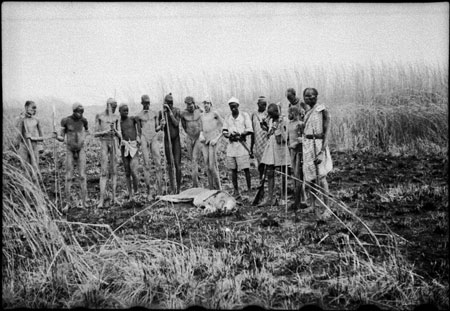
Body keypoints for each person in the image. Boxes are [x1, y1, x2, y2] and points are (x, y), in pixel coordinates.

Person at [302, 87, 333, 216]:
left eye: (312, 96)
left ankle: (327, 208)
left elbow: (326, 133)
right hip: (308, 145)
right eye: (307, 96)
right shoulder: (306, 112)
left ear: (317, 96)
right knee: (310, 178)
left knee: (321, 177)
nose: (309, 98)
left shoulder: (322, 110)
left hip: (318, 145)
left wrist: (322, 152)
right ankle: (313, 205)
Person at [54, 102, 89, 211]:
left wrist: (85, 141)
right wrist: (56, 136)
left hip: (81, 150)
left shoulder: (84, 121)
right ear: (74, 111)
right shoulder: (66, 121)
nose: (80, 114)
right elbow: (61, 137)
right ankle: (67, 203)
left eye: (82, 112)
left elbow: (87, 132)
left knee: (82, 176)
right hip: (69, 150)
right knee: (69, 177)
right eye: (78, 112)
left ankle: (84, 202)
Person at [258, 103, 291, 207]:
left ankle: (283, 197)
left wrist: (278, 130)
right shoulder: (271, 120)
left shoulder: (284, 120)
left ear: (277, 112)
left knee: (283, 173)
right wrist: (266, 127)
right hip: (271, 147)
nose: (270, 116)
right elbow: (269, 132)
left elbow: (286, 137)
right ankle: (270, 197)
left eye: (272, 114)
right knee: (269, 171)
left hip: (281, 147)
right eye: (269, 114)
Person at [222, 97, 253, 199]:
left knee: (246, 169)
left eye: (234, 107)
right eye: (231, 107)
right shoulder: (227, 117)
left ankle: (249, 190)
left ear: (238, 106)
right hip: (232, 146)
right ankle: (236, 191)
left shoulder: (244, 116)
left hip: (242, 145)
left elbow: (249, 129)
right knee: (233, 170)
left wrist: (240, 133)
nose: (233, 109)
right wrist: (229, 135)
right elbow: (224, 131)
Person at [94, 98, 122, 208]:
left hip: (113, 141)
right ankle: (101, 200)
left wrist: (114, 131)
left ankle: (114, 198)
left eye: (116, 107)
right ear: (108, 105)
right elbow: (95, 133)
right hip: (104, 142)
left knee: (114, 170)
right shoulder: (99, 116)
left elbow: (120, 134)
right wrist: (105, 132)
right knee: (104, 171)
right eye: (113, 107)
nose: (114, 109)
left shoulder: (116, 117)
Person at [136, 94, 164, 200]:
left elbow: (157, 128)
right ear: (142, 103)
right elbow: (139, 131)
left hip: (153, 137)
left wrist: (161, 126)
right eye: (145, 102)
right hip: (144, 137)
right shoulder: (139, 116)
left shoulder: (154, 114)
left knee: (158, 163)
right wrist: (139, 138)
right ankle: (149, 192)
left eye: (148, 102)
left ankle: (160, 190)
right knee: (146, 164)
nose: (147, 104)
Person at [159, 93, 182, 194]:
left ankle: (178, 188)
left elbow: (176, 124)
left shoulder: (176, 111)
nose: (170, 105)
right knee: (170, 164)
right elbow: (160, 128)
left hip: (176, 140)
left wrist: (170, 112)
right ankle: (172, 187)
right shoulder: (162, 113)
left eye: (172, 103)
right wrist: (162, 124)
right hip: (167, 140)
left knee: (177, 164)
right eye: (168, 103)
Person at [199, 97, 223, 190]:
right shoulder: (202, 115)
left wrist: (217, 138)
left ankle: (219, 189)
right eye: (204, 103)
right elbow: (201, 128)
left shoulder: (215, 114)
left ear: (211, 104)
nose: (206, 105)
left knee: (212, 166)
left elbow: (224, 126)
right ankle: (211, 189)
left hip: (213, 141)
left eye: (208, 103)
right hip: (205, 141)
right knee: (207, 166)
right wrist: (201, 135)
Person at [119, 103, 141, 200]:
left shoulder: (132, 119)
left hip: (133, 146)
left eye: (127, 110)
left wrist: (139, 136)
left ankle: (136, 191)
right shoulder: (119, 122)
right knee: (127, 172)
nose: (126, 112)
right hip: (124, 147)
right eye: (124, 110)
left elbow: (138, 123)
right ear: (119, 112)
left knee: (134, 171)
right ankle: (130, 194)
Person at [287, 105, 307, 210]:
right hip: (291, 152)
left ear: (294, 113)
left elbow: (303, 138)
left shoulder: (300, 124)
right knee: (294, 174)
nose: (288, 115)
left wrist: (295, 143)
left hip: (298, 152)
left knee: (299, 175)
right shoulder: (289, 124)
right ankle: (297, 197)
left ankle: (303, 198)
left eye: (290, 113)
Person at [14, 100, 43, 172]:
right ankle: (26, 182)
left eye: (35, 108)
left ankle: (35, 181)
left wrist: (40, 145)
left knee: (35, 166)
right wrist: (16, 144)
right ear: (26, 107)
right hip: (24, 145)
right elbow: (18, 133)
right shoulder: (20, 119)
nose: (34, 110)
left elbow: (40, 133)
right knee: (25, 166)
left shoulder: (36, 119)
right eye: (32, 108)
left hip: (34, 145)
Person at [181, 96, 203, 188]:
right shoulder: (184, 114)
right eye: (187, 104)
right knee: (192, 159)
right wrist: (187, 136)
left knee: (194, 159)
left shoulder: (199, 111)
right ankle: (195, 179)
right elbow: (183, 126)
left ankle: (195, 185)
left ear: (194, 103)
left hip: (198, 137)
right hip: (189, 137)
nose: (189, 106)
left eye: (190, 104)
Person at [250, 96, 269, 180]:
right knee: (259, 162)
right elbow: (252, 131)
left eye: (265, 104)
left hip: (266, 141)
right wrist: (251, 147)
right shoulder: (254, 115)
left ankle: (266, 178)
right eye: (262, 104)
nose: (264, 106)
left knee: (267, 161)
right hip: (258, 142)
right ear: (258, 104)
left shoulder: (268, 114)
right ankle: (261, 178)